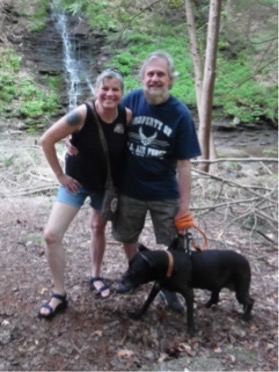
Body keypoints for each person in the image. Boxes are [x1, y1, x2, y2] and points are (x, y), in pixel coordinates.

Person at [38, 69, 131, 319]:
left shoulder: (127, 116)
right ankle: (59, 293)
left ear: (122, 93)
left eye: (115, 89)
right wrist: (60, 175)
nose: (109, 93)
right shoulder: (81, 114)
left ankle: (95, 275)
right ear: (96, 90)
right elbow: (46, 140)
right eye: (105, 88)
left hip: (105, 187)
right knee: (51, 235)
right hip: (75, 184)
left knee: (97, 228)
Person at [112, 51, 201, 312]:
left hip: (165, 192)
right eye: (150, 74)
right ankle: (135, 273)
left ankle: (169, 285)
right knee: (128, 236)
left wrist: (184, 207)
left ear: (170, 80)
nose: (154, 79)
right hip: (130, 189)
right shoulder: (131, 101)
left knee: (175, 243)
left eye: (160, 74)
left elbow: (184, 165)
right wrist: (76, 139)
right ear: (142, 78)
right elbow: (104, 123)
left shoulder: (180, 114)